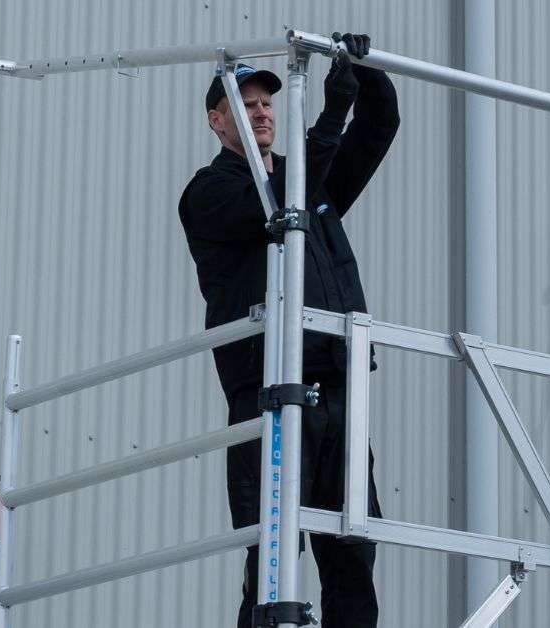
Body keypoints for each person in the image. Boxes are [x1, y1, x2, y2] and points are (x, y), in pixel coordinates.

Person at [178, 33, 398, 628]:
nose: (262, 111)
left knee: (353, 551)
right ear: (216, 121)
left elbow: (379, 128)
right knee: (273, 554)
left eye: (267, 102)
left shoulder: (315, 186)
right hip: (269, 391)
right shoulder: (211, 192)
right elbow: (275, 205)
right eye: (245, 105)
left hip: (337, 386)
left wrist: (360, 71)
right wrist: (329, 116)